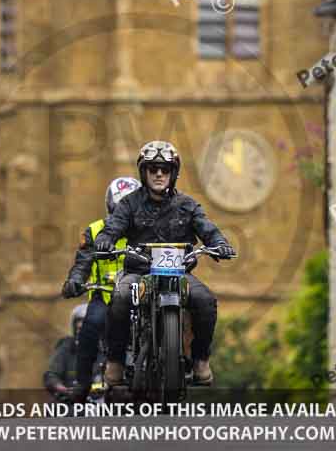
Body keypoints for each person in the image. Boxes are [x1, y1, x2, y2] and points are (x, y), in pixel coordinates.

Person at [94, 140, 236, 387]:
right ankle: (115, 361)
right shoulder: (129, 204)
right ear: (144, 171)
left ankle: (201, 360)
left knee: (206, 301)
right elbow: (112, 227)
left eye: (165, 169)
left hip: (179, 273)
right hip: (139, 273)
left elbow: (207, 228)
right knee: (120, 297)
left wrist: (219, 243)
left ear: (174, 173)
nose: (159, 174)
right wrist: (105, 241)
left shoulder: (188, 205)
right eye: (153, 169)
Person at [61, 177, 141, 400]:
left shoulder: (150, 230)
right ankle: (82, 383)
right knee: (90, 326)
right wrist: (75, 280)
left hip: (141, 296)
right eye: (120, 210)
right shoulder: (95, 231)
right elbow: (82, 262)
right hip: (105, 296)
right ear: (111, 208)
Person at [43, 303, 87, 397]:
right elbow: (52, 375)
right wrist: (61, 388)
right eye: (78, 323)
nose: (80, 326)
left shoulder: (108, 350)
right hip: (71, 401)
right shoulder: (66, 347)